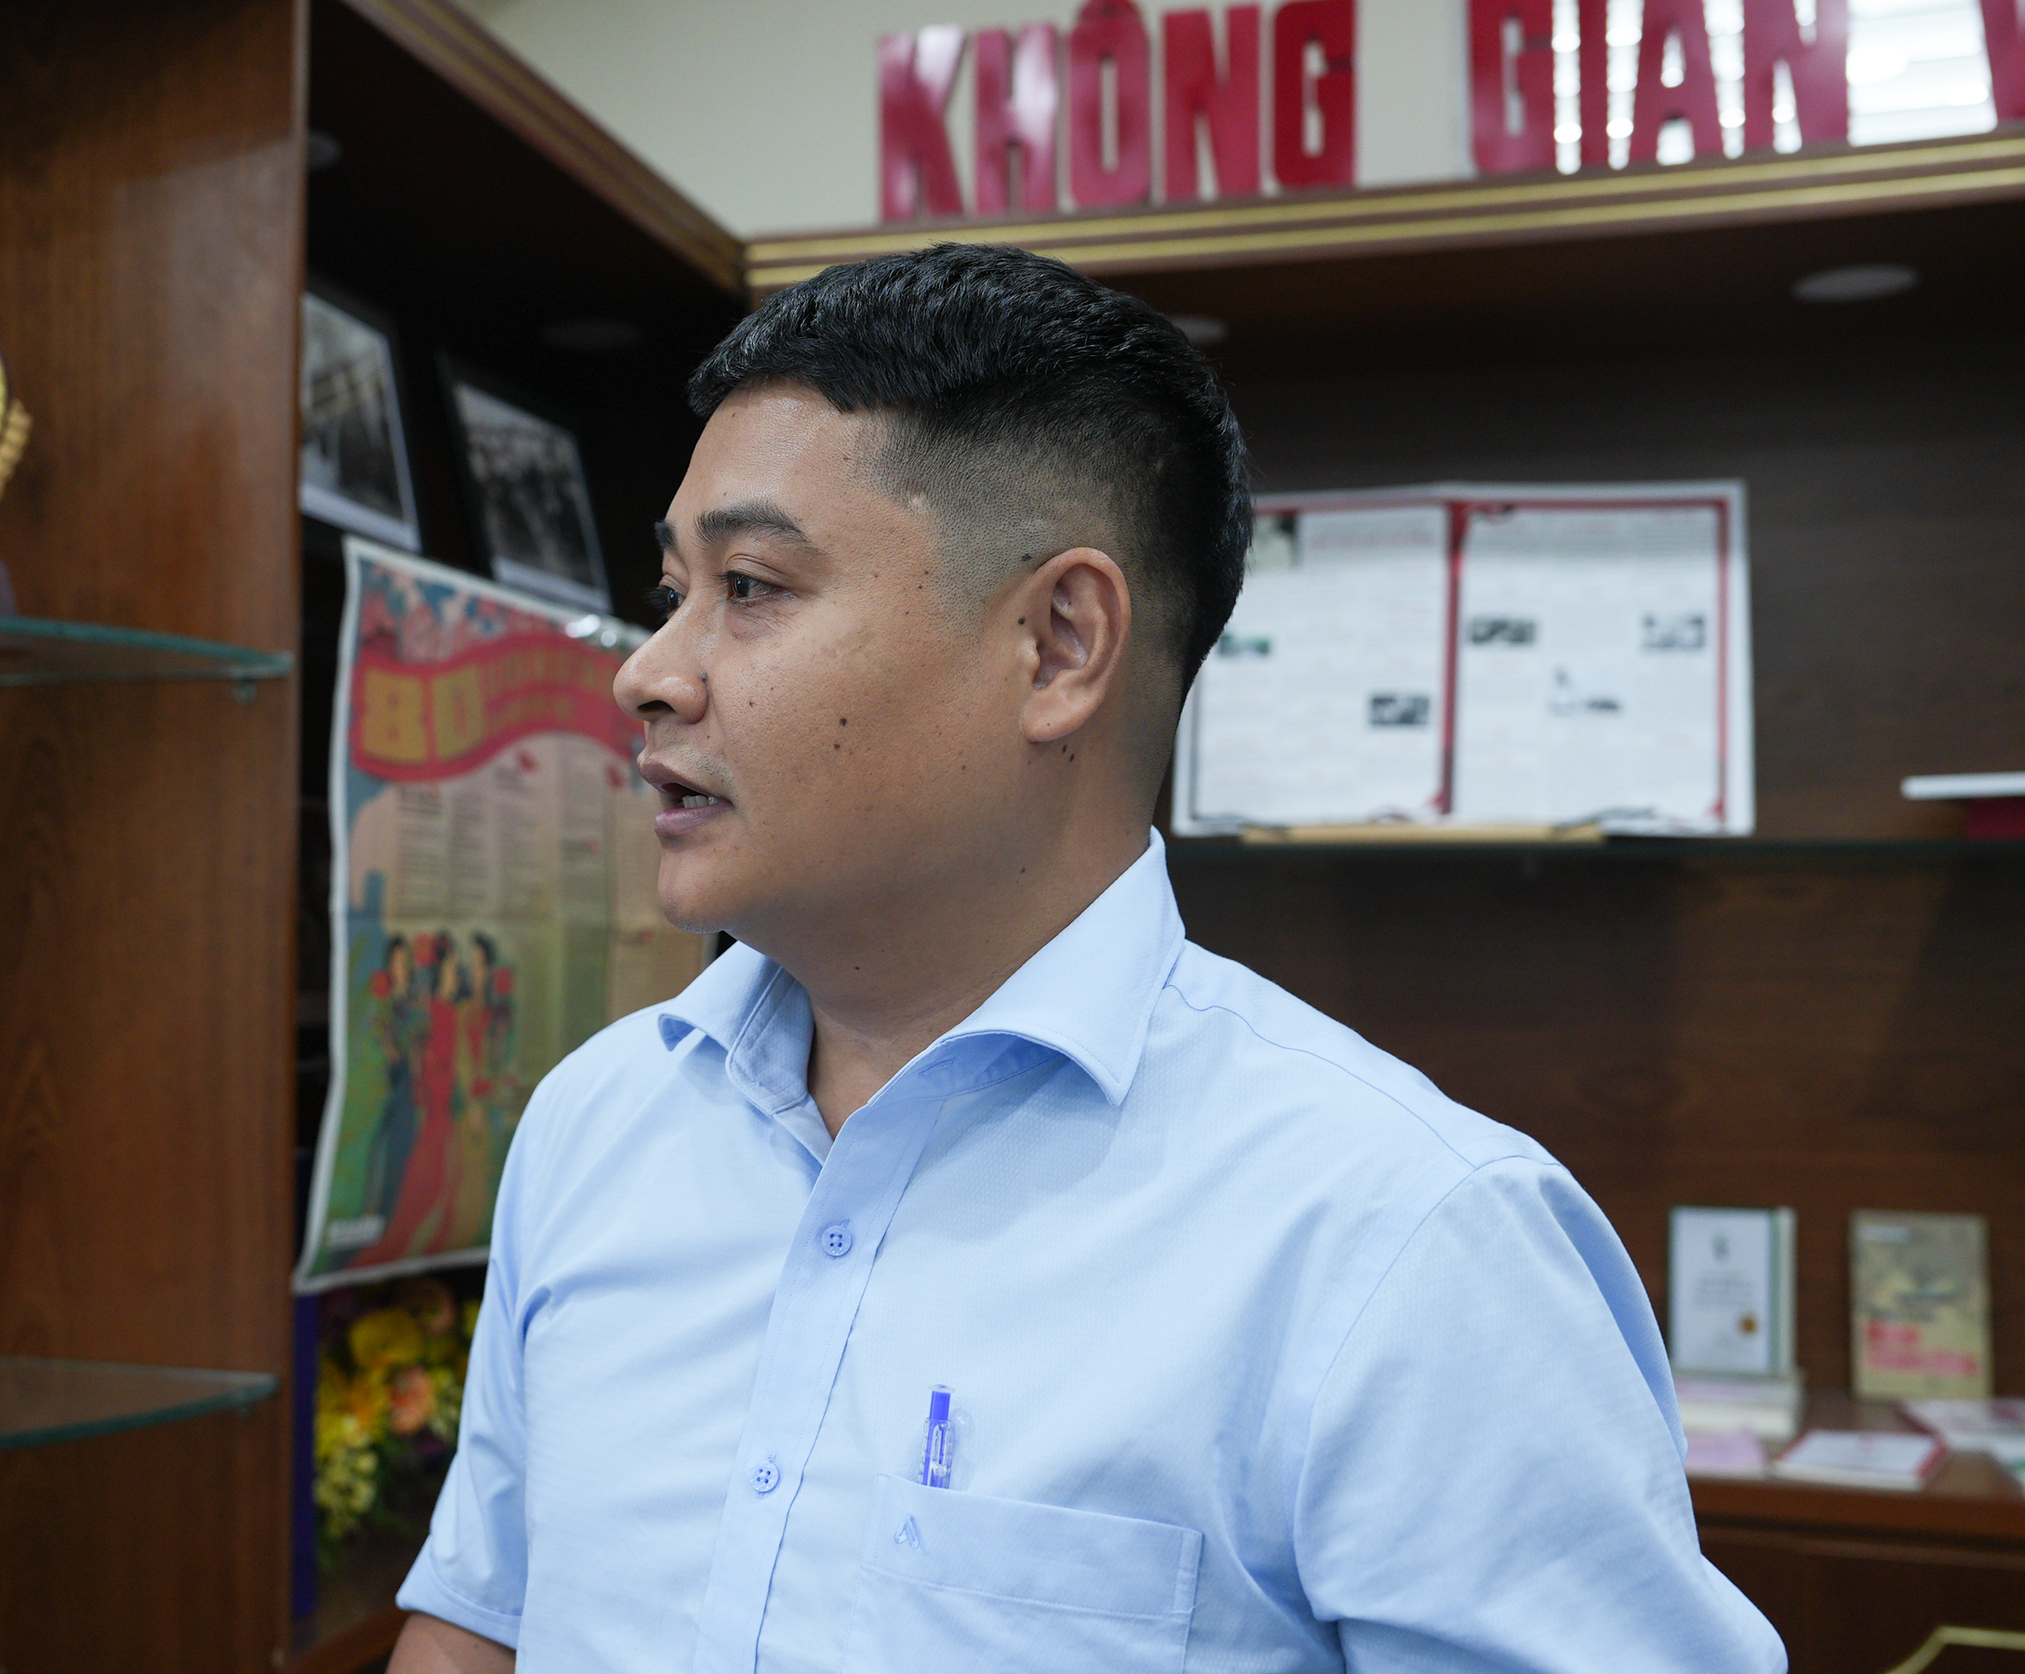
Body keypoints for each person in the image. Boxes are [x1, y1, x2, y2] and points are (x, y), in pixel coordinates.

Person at [389, 244, 1781, 1673]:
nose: (648, 672)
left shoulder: (1406, 1237)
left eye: (749, 586)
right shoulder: (597, 1121)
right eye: (671, 588)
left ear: (1059, 645)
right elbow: (480, 1621)